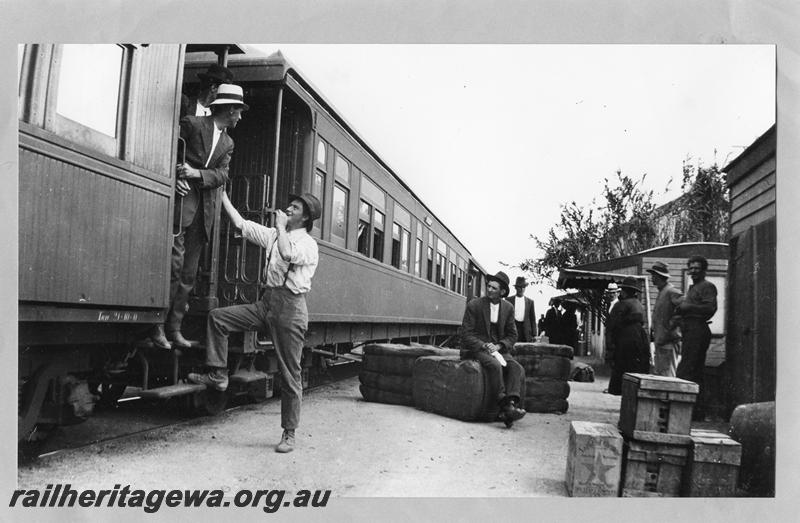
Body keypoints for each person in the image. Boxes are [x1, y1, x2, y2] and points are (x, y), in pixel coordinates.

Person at [188, 190, 322, 453]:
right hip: (267, 302)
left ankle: (289, 433)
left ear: (305, 217)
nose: (288, 209)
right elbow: (241, 224)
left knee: (289, 374)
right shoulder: (274, 234)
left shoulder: (307, 244)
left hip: (291, 309)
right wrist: (223, 194)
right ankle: (218, 374)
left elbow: (286, 253)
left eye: (294, 208)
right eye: (290, 205)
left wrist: (281, 227)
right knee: (219, 318)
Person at [150, 84, 247, 350]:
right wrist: (173, 179)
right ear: (228, 110)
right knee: (173, 267)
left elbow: (223, 175)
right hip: (182, 204)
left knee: (188, 275)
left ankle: (174, 328)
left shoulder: (228, 142)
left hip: (203, 213)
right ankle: (157, 326)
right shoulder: (191, 124)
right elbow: (166, 152)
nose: (239, 117)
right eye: (238, 111)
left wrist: (196, 175)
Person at [459, 271, 526, 428]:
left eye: (494, 288)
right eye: (488, 286)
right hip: (478, 349)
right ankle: (505, 405)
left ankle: (511, 404)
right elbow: (466, 334)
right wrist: (484, 345)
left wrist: (499, 345)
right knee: (495, 366)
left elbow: (512, 335)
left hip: (499, 350)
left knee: (515, 367)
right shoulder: (474, 305)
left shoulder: (508, 308)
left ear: (502, 292)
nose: (489, 290)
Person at [675, 255, 717, 420]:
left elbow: (710, 308)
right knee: (694, 371)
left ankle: (687, 411)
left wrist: (686, 306)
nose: (693, 271)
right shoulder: (694, 288)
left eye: (697, 268)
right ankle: (696, 412)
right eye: (691, 268)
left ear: (704, 270)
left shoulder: (707, 287)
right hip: (690, 329)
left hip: (698, 330)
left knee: (688, 369)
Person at [604, 276, 650, 395]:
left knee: (622, 370)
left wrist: (610, 348)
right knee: (635, 372)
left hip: (625, 341)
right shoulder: (639, 304)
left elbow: (611, 327)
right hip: (640, 340)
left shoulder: (621, 305)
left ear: (624, 292)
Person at [647, 262, 683, 377]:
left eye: (653, 275)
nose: (652, 278)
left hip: (669, 343)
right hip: (661, 342)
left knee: (668, 378)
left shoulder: (671, 291)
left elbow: (686, 306)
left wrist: (672, 325)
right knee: (661, 376)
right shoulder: (662, 292)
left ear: (659, 276)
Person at [506, 277, 537, 342]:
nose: (521, 289)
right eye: (519, 287)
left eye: (523, 287)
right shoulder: (508, 300)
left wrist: (534, 334)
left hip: (525, 330)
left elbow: (532, 318)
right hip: (513, 328)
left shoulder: (530, 302)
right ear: (516, 287)